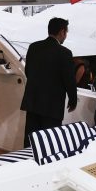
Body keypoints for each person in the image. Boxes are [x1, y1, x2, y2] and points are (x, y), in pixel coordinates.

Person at [20, 17, 77, 147]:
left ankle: (26, 159)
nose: (65, 36)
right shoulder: (65, 53)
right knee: (49, 142)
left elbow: (28, 72)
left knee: (31, 139)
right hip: (52, 105)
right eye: (66, 32)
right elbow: (69, 80)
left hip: (33, 101)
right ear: (62, 32)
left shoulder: (34, 47)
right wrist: (73, 100)